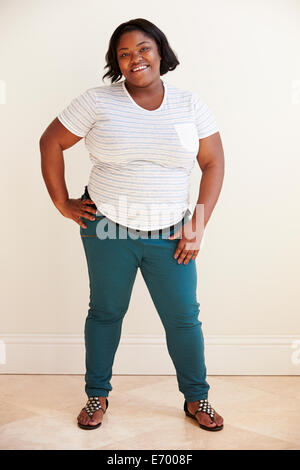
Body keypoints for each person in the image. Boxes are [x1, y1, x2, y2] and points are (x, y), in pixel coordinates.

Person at [40, 18, 225, 432]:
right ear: (116, 62)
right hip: (107, 227)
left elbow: (212, 163)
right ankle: (96, 396)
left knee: (183, 318)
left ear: (160, 51)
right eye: (124, 53)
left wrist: (198, 222)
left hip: (171, 233)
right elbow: (50, 141)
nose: (135, 59)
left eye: (143, 48)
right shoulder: (96, 101)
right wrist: (62, 202)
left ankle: (198, 398)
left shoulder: (190, 104)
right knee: (106, 312)